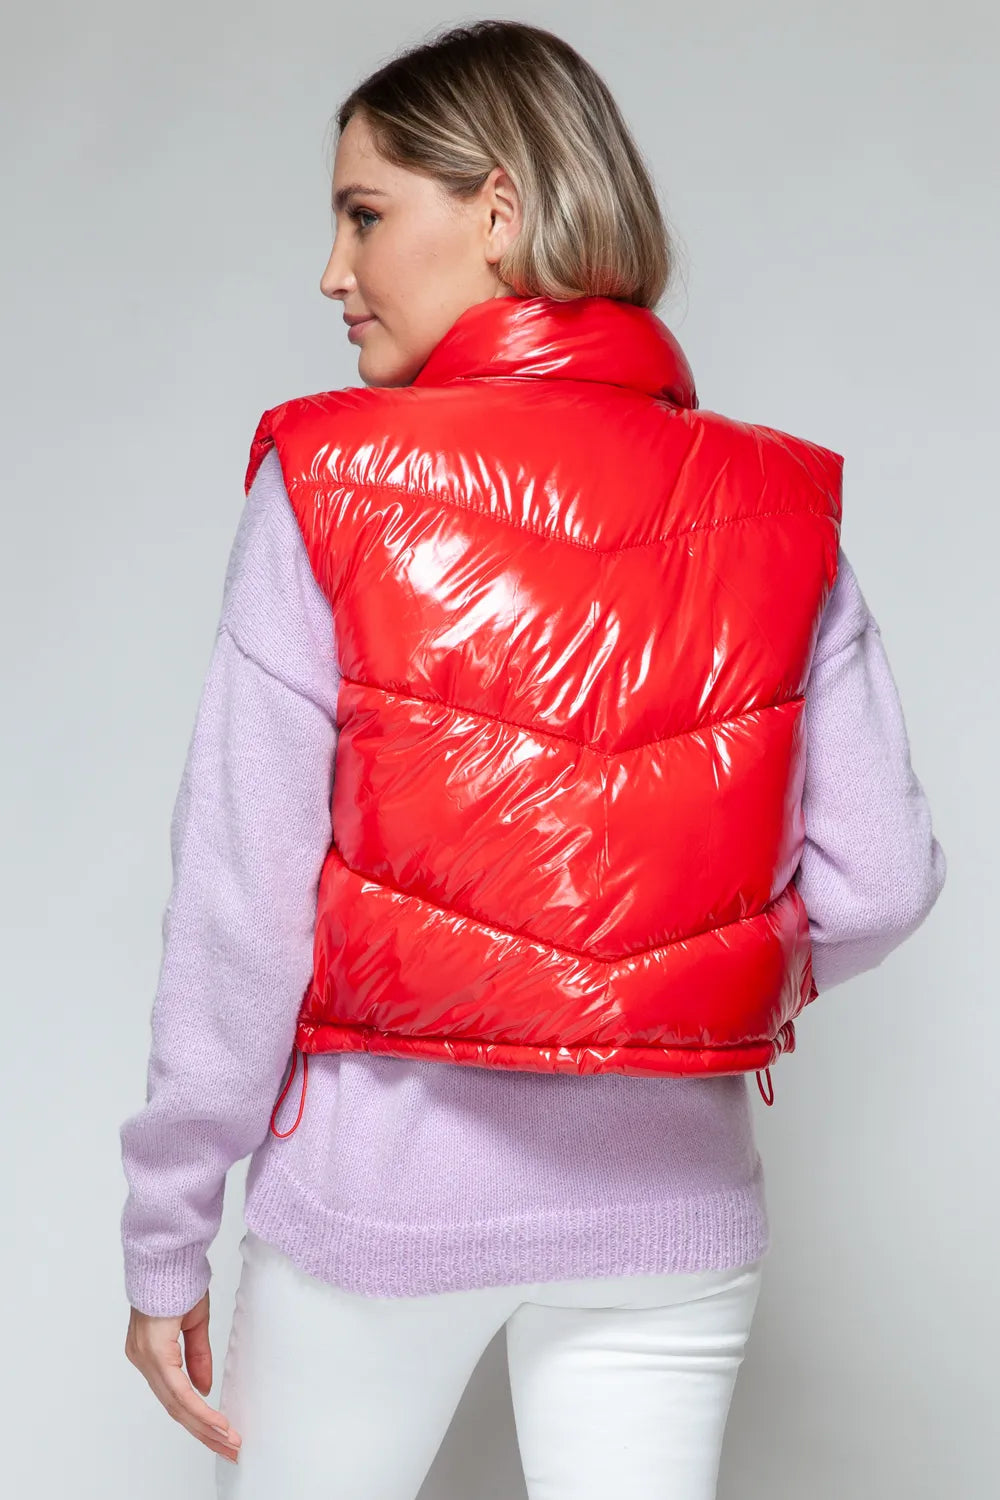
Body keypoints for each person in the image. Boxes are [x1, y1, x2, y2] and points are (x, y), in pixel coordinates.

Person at [118, 20, 946, 1500]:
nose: (332, 271)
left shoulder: (332, 478)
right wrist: (679, 971)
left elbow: (240, 908)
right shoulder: (778, 503)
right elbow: (881, 880)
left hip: (382, 1206)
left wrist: (166, 1228)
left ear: (497, 211)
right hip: (672, 1209)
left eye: (364, 214)